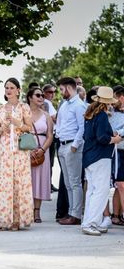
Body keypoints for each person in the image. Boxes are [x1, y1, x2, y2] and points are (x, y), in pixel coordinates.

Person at [0, 78, 34, 231]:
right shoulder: (0, 109)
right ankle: (3, 219)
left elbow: (29, 128)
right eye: (6, 87)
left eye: (12, 87)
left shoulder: (24, 107)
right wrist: (3, 128)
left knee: (19, 183)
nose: (8, 90)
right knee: (5, 183)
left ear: (18, 90)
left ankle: (17, 220)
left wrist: (16, 122)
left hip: (20, 150)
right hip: (5, 149)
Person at [80, 87, 122, 235]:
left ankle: (90, 222)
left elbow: (90, 136)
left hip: (89, 157)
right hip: (100, 157)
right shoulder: (102, 115)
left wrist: (111, 134)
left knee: (92, 191)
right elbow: (102, 138)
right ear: (107, 102)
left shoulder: (90, 114)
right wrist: (115, 138)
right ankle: (91, 223)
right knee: (101, 191)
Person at [56, 76, 87, 225]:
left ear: (69, 88)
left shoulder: (79, 105)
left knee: (75, 182)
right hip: (62, 145)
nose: (61, 92)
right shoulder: (64, 105)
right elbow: (61, 123)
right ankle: (71, 212)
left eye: (62, 89)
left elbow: (82, 127)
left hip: (72, 147)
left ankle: (76, 215)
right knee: (68, 183)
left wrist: (75, 145)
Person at [27, 87, 55, 223]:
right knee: (27, 180)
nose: (41, 98)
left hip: (42, 150)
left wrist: (42, 149)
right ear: (30, 97)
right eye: (38, 95)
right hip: (26, 150)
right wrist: (29, 149)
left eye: (42, 95)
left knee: (39, 180)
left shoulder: (46, 116)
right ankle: (26, 210)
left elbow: (50, 136)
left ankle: (37, 212)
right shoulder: (23, 113)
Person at [109, 85, 124, 226]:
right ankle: (116, 215)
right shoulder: (111, 113)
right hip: (118, 152)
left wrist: (120, 132)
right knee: (120, 184)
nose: (113, 101)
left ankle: (118, 215)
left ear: (121, 97)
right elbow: (111, 130)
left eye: (115, 98)